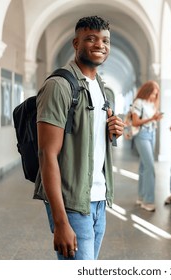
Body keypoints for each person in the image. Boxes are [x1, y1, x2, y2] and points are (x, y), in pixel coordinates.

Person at [34, 16, 124, 260]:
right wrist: (61, 222)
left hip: (98, 199)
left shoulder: (101, 88)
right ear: (76, 43)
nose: (100, 44)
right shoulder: (59, 86)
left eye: (105, 40)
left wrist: (113, 129)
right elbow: (47, 154)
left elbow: (89, 139)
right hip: (71, 202)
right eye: (90, 38)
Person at [131, 80, 163, 211]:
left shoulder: (152, 104)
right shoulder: (138, 102)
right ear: (147, 91)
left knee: (144, 166)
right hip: (142, 135)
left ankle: (141, 196)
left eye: (156, 94)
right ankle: (148, 201)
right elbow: (135, 122)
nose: (153, 96)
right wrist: (151, 119)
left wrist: (156, 119)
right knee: (150, 166)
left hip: (152, 134)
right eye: (152, 93)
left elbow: (152, 120)